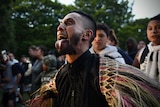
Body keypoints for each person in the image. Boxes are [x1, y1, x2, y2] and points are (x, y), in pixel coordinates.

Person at [27, 11, 160, 107]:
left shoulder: (107, 76)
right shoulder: (60, 76)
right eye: (60, 23)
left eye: (69, 23)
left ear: (86, 35)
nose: (59, 27)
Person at [132, 13, 160, 83]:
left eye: (158, 27)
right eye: (150, 28)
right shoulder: (141, 53)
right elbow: (133, 74)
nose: (153, 31)